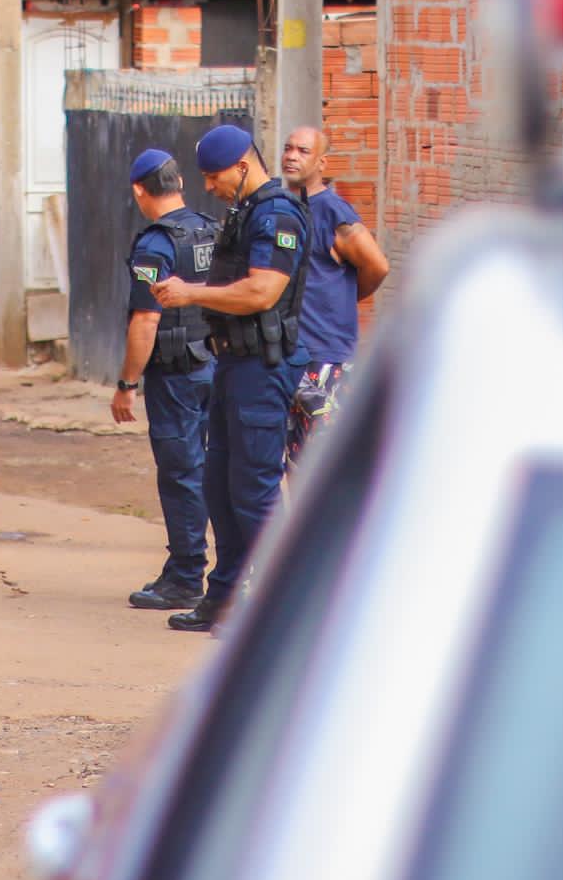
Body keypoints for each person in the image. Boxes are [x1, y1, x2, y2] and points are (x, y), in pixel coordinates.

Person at [149, 125, 309, 633]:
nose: (209, 186)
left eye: (214, 176)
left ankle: (278, 609)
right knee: (219, 487)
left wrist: (192, 294)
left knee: (255, 491)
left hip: (263, 368)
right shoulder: (245, 211)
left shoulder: (278, 215)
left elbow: (262, 293)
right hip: (234, 366)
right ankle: (222, 600)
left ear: (242, 166)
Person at [112, 148, 219, 611]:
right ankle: (229, 570)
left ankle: (185, 575)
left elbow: (145, 322)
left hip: (175, 374)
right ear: (178, 183)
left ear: (139, 189)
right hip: (214, 365)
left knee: (181, 474)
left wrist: (126, 384)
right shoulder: (208, 229)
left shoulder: (156, 245)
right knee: (214, 470)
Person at [279, 125, 389, 466]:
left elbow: (377, 265)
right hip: (288, 356)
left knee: (321, 464)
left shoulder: (333, 213)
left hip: (325, 358)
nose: (292, 156)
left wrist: (345, 297)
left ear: (322, 163)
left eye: (303, 151)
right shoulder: (283, 207)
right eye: (288, 148)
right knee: (291, 461)